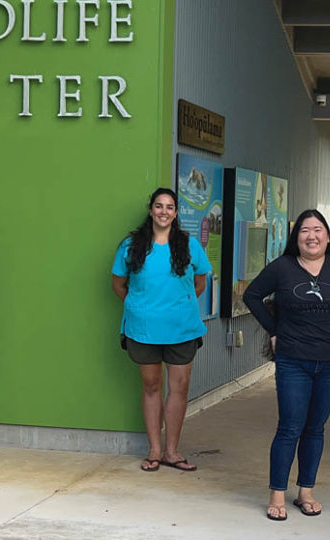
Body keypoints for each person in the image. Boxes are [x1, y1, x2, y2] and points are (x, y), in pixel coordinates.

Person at [244, 209, 330, 522]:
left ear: (328, 237)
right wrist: (274, 330)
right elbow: (252, 296)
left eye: (318, 230)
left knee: (315, 428)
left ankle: (306, 491)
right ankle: (277, 493)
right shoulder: (282, 267)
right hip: (293, 359)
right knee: (290, 427)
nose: (311, 236)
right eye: (305, 230)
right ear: (296, 237)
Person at [111, 188, 211, 473]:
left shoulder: (190, 245)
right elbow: (118, 285)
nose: (163, 211)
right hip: (143, 330)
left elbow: (200, 283)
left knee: (179, 388)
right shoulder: (131, 246)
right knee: (152, 386)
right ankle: (154, 450)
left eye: (169, 207)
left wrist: (177, 306)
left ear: (176, 212)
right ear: (151, 209)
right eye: (159, 206)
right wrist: (140, 307)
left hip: (182, 330)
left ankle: (172, 451)